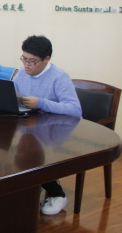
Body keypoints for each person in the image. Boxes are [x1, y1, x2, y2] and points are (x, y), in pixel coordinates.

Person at [13, 35, 82, 215]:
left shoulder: (59, 77)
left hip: (53, 132)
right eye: (24, 59)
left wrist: (42, 103)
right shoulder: (23, 73)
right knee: (5, 146)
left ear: (46, 59)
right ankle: (25, 189)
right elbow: (12, 93)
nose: (26, 65)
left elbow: (75, 110)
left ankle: (56, 193)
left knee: (27, 154)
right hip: (30, 126)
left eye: (32, 61)